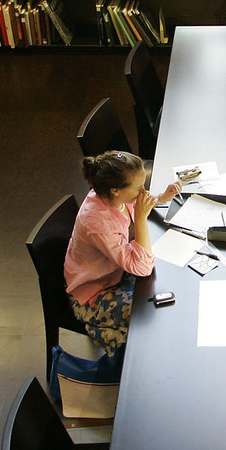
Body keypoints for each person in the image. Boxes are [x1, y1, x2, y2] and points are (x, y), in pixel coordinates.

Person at [64, 151, 181, 359]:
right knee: (150, 319)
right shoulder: (98, 223)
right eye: (138, 188)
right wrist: (141, 220)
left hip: (115, 272)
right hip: (93, 293)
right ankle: (104, 335)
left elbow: (135, 203)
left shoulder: (109, 195)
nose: (143, 191)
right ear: (116, 190)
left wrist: (162, 198)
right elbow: (142, 268)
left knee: (167, 289)